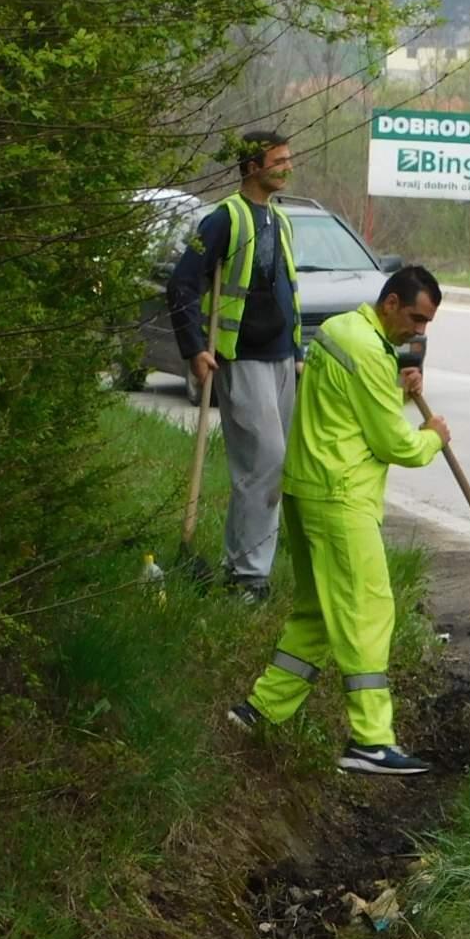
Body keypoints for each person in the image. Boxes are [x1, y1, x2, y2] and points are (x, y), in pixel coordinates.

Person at [228, 267, 451, 775]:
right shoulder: (372, 351)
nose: (419, 332)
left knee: (317, 614)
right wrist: (433, 435)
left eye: (427, 324)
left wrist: (395, 389)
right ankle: (370, 741)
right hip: (341, 498)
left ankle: (258, 711)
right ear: (390, 302)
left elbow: (346, 411)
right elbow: (394, 444)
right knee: (366, 612)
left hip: (305, 491)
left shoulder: (339, 331)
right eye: (416, 318)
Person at [167, 130, 302, 601]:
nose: (287, 167)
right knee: (263, 461)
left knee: (278, 466)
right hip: (241, 357)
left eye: (289, 159)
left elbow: (286, 289)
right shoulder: (225, 218)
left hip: (283, 357)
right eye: (279, 161)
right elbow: (182, 283)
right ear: (251, 167)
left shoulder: (281, 221)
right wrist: (194, 348)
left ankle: (251, 567)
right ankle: (247, 577)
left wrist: (298, 352)